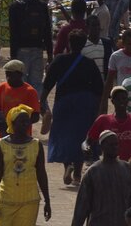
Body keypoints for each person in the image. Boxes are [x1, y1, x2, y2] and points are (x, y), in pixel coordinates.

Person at [44, 30, 106, 187]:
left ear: (69, 43)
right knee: (81, 137)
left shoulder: (59, 60)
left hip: (63, 102)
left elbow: (48, 83)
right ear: (84, 44)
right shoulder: (89, 63)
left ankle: (67, 165)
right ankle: (78, 173)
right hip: (85, 104)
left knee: (63, 135)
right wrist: (99, 110)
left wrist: (42, 101)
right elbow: (99, 89)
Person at [0, 106, 52, 226]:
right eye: (22, 121)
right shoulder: (2, 145)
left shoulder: (36, 145)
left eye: (27, 121)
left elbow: (41, 174)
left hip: (30, 201)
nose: (25, 124)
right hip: (6, 200)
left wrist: (47, 200)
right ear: (12, 123)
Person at [70, 129, 131, 226]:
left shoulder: (126, 168)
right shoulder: (93, 172)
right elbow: (82, 207)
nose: (115, 147)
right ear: (101, 146)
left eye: (116, 144)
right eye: (111, 145)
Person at [9, 0, 54, 97]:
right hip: (38, 48)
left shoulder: (15, 7)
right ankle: (36, 108)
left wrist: (13, 56)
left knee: (20, 82)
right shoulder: (42, 5)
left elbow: (13, 33)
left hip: (21, 49)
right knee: (36, 83)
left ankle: (22, 110)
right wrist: (50, 54)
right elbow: (47, 31)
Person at [86, 87, 131, 162]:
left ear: (127, 101)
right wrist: (86, 147)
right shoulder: (103, 120)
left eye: (124, 98)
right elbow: (88, 141)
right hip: (110, 165)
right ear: (112, 101)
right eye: (118, 99)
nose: (121, 101)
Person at [0, 60, 42, 130]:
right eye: (7, 75)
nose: (8, 78)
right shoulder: (2, 87)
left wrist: (17, 125)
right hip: (4, 132)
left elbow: (35, 117)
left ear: (20, 74)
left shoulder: (30, 92)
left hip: (22, 135)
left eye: (11, 75)